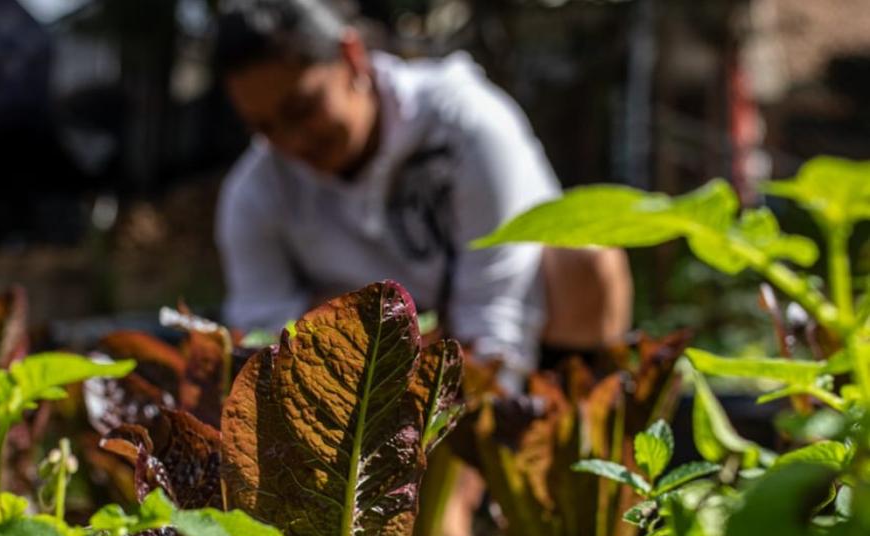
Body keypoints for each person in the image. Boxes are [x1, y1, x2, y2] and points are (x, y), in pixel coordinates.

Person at [214, 0, 630, 393]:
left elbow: (498, 314)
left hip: (517, 339)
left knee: (587, 261)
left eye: (302, 109)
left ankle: (579, 442)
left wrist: (476, 441)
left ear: (351, 56)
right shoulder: (253, 193)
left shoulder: (467, 125)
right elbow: (260, 337)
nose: (292, 141)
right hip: (374, 380)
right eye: (264, 127)